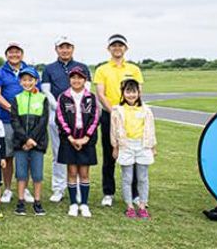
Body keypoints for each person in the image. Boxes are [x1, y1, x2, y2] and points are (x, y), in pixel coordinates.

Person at [93, 34, 144, 207]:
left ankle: (135, 194)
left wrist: (128, 111)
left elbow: (138, 92)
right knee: (110, 155)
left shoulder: (134, 69)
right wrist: (114, 111)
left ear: (125, 48)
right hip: (110, 115)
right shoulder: (102, 69)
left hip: (131, 116)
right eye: (114, 46)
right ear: (109, 48)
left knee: (133, 154)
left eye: (120, 45)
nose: (117, 48)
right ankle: (108, 192)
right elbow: (101, 93)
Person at [41, 36, 92, 203]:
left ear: (73, 48)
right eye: (61, 47)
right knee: (58, 153)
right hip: (55, 115)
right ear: (56, 49)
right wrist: (60, 108)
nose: (65, 50)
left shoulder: (82, 67)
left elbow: (87, 93)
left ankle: (76, 187)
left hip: (79, 118)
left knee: (78, 152)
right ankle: (58, 188)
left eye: (68, 47)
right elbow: (46, 92)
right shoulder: (49, 68)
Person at [0, 42, 35, 204]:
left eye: (17, 52)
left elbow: (36, 92)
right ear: (6, 55)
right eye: (11, 52)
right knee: (8, 156)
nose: (14, 55)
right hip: (6, 120)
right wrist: (13, 109)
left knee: (26, 155)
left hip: (28, 121)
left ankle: (25, 188)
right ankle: (8, 189)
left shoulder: (30, 70)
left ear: (22, 54)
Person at [55, 66, 100, 218]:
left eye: (80, 77)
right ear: (70, 80)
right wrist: (70, 137)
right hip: (70, 140)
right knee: (72, 172)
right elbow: (60, 118)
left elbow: (95, 118)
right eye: (73, 77)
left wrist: (86, 137)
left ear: (85, 80)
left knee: (84, 173)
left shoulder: (91, 97)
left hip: (86, 140)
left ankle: (85, 204)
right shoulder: (63, 97)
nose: (76, 80)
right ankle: (74, 203)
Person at [111, 79, 156, 219]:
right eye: (128, 92)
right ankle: (129, 206)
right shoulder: (117, 110)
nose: (131, 95)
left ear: (139, 92)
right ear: (123, 93)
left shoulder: (146, 110)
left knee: (143, 178)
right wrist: (115, 147)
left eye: (134, 92)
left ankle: (142, 206)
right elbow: (113, 131)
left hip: (142, 146)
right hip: (126, 145)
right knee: (127, 178)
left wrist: (153, 147)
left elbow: (151, 129)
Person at [11, 67, 48, 216]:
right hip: (21, 144)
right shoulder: (16, 98)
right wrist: (26, 139)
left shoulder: (42, 98)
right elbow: (14, 121)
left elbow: (43, 122)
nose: (27, 82)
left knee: (37, 175)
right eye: (24, 80)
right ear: (20, 82)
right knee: (21, 174)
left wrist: (32, 140)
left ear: (36, 81)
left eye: (30, 80)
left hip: (37, 143)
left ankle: (37, 202)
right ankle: (20, 201)